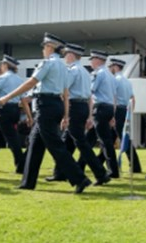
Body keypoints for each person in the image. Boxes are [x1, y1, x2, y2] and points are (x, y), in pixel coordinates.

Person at [0, 33, 91, 194]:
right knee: (35, 144)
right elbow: (66, 93)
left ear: (49, 47)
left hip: (46, 105)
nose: (43, 50)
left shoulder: (47, 63)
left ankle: (79, 178)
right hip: (56, 105)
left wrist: (8, 97)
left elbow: (31, 82)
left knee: (55, 145)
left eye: (44, 46)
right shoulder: (63, 66)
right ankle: (28, 182)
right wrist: (66, 115)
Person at [46, 44, 111, 186]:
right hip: (82, 107)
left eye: (66, 55)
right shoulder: (86, 72)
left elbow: (65, 92)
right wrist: (89, 116)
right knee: (67, 142)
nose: (64, 58)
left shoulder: (72, 71)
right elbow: (89, 97)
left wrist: (65, 115)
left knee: (81, 143)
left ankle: (101, 173)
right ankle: (60, 173)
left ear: (70, 55)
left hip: (74, 107)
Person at [0, 55, 32, 174]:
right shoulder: (19, 80)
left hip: (4, 109)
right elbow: (24, 100)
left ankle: (21, 165)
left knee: (12, 140)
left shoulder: (1, 78)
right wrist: (29, 116)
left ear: (5, 65)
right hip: (15, 110)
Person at [89, 49, 120, 178]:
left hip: (100, 107)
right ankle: (112, 169)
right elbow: (114, 97)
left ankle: (112, 171)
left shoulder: (98, 73)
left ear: (97, 60)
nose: (90, 62)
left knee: (104, 141)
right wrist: (113, 114)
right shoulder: (110, 75)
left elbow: (90, 90)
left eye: (92, 59)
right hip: (108, 108)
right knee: (105, 140)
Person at [109, 57, 142, 173]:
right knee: (109, 140)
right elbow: (133, 98)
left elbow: (112, 97)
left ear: (115, 67)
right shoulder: (127, 81)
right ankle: (102, 163)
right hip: (125, 110)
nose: (110, 69)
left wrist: (112, 115)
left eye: (111, 67)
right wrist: (130, 113)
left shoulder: (114, 80)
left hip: (117, 110)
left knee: (123, 139)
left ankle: (135, 166)